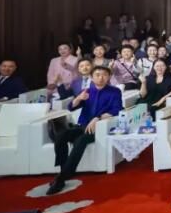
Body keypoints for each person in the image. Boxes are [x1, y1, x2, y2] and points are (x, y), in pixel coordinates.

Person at [45, 66, 122, 194]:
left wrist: (97, 118)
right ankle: (63, 170)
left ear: (109, 77)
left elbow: (117, 110)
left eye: (104, 75)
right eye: (97, 75)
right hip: (82, 126)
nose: (101, 77)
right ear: (92, 77)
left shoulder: (114, 92)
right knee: (61, 136)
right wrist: (79, 98)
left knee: (80, 141)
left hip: (99, 128)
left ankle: (61, 179)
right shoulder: (86, 91)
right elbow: (71, 107)